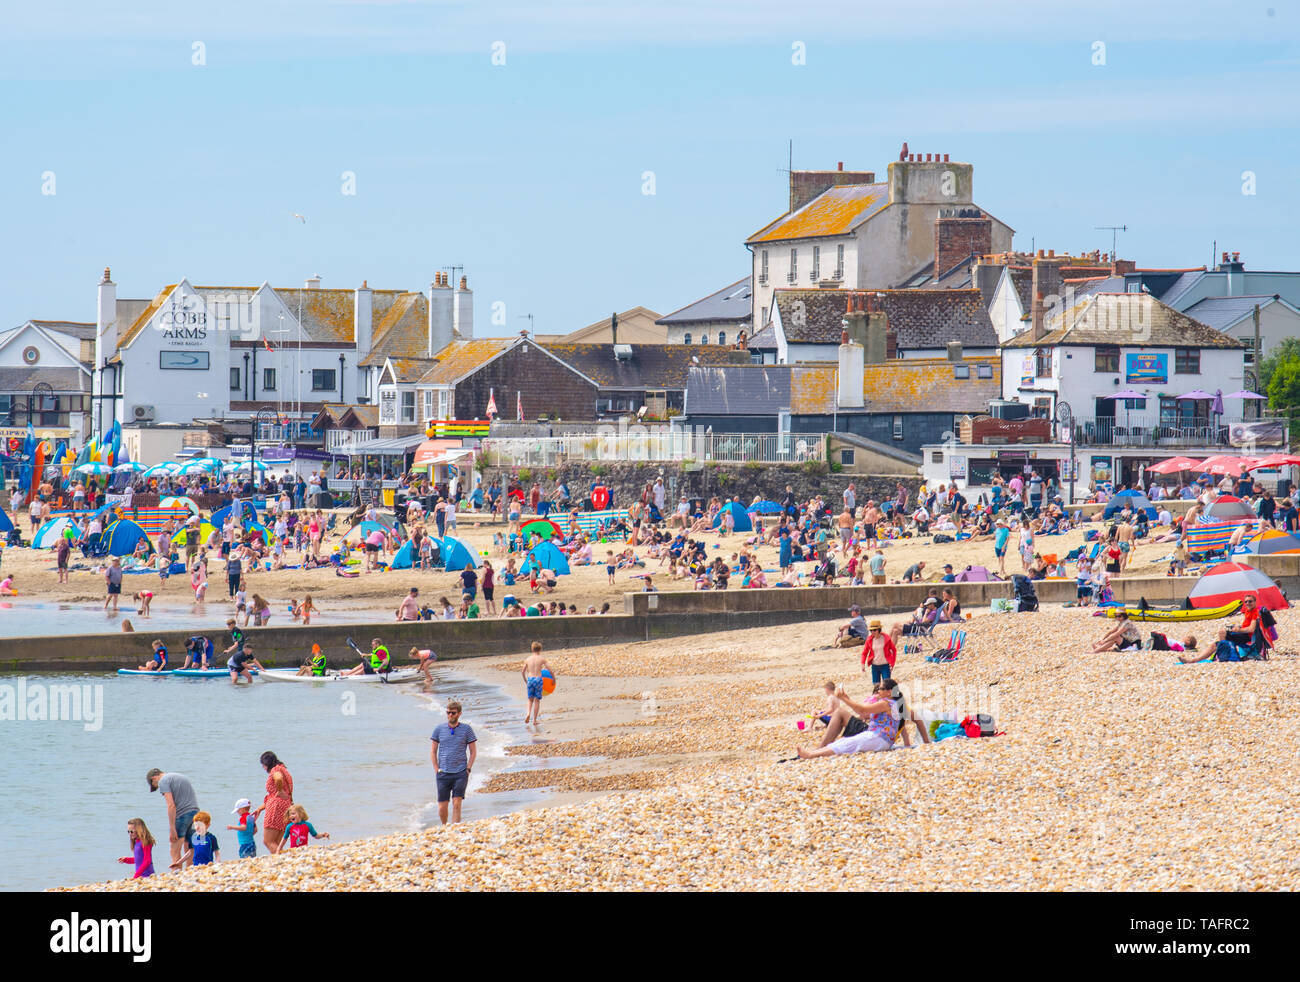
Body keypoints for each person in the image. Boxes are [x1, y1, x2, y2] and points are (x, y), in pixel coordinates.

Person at [796, 679, 905, 758]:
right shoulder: (889, 703)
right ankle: (815, 753)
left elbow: (863, 710)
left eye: (881, 689)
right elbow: (861, 712)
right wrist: (845, 697)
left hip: (880, 738)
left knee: (849, 744)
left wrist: (843, 698)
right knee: (845, 741)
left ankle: (811, 755)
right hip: (880, 738)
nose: (878, 691)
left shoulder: (887, 704)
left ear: (889, 692)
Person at [431, 700, 477, 824]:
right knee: (442, 808)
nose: (450, 715)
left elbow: (473, 751)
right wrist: (436, 769)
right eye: (448, 713)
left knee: (457, 804)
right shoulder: (439, 729)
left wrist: (468, 768)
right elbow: (433, 751)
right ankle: (445, 827)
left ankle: (455, 829)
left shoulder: (467, 729)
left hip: (460, 772)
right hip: (443, 773)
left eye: (453, 713)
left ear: (459, 714)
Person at [147, 768, 199, 870]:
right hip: (195, 811)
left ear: (154, 778)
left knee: (174, 848)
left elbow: (171, 805)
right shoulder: (180, 776)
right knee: (190, 846)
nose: (159, 788)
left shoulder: (163, 781)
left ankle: (176, 873)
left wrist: (172, 828)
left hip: (182, 814)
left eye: (155, 785)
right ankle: (190, 870)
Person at [254, 751, 293, 855]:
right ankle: (279, 862)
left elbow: (278, 779)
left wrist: (279, 790)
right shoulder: (284, 769)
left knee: (268, 841)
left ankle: (283, 860)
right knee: (277, 843)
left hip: (276, 807)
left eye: (263, 765)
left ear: (267, 763)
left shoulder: (275, 770)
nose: (263, 767)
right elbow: (274, 794)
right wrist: (260, 809)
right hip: (286, 806)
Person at [521, 640, 552, 725]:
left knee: (530, 700)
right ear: (540, 649)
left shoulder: (528, 659)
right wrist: (553, 679)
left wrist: (526, 681)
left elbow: (523, 672)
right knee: (537, 700)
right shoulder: (541, 659)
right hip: (538, 679)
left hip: (530, 679)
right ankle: (534, 720)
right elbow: (549, 669)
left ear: (532, 649)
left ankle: (528, 714)